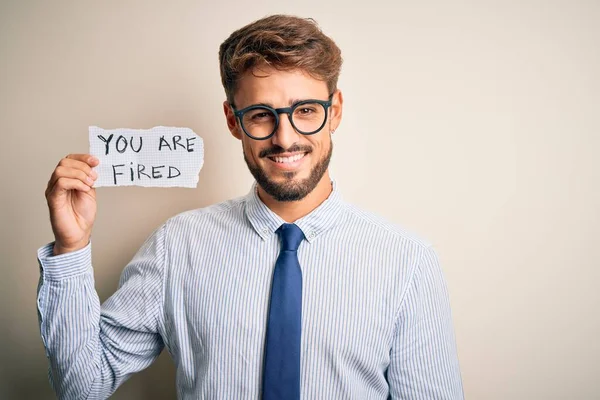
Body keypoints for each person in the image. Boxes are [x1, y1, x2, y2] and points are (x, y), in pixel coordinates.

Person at [38, 14, 464, 399]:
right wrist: (70, 250)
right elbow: (82, 385)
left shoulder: (407, 262)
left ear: (334, 112)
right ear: (232, 119)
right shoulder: (177, 246)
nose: (284, 138)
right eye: (261, 114)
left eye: (306, 110)